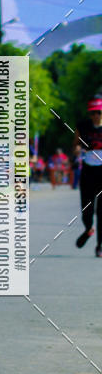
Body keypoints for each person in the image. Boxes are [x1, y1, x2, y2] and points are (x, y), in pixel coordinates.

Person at [74, 96, 102, 257]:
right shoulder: (83, 126)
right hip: (88, 172)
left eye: (98, 112)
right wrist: (77, 149)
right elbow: (75, 144)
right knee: (87, 209)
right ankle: (88, 228)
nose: (96, 116)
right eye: (93, 113)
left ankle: (100, 246)